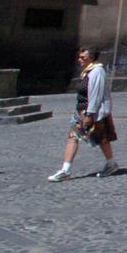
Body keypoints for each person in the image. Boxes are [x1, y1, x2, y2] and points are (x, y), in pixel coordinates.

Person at [48, 47, 118, 181]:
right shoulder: (87, 71)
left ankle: (111, 163)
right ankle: (65, 170)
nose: (79, 59)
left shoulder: (97, 71)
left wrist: (90, 114)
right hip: (80, 111)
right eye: (79, 57)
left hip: (91, 112)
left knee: (102, 139)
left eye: (83, 57)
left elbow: (95, 95)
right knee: (73, 137)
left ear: (91, 58)